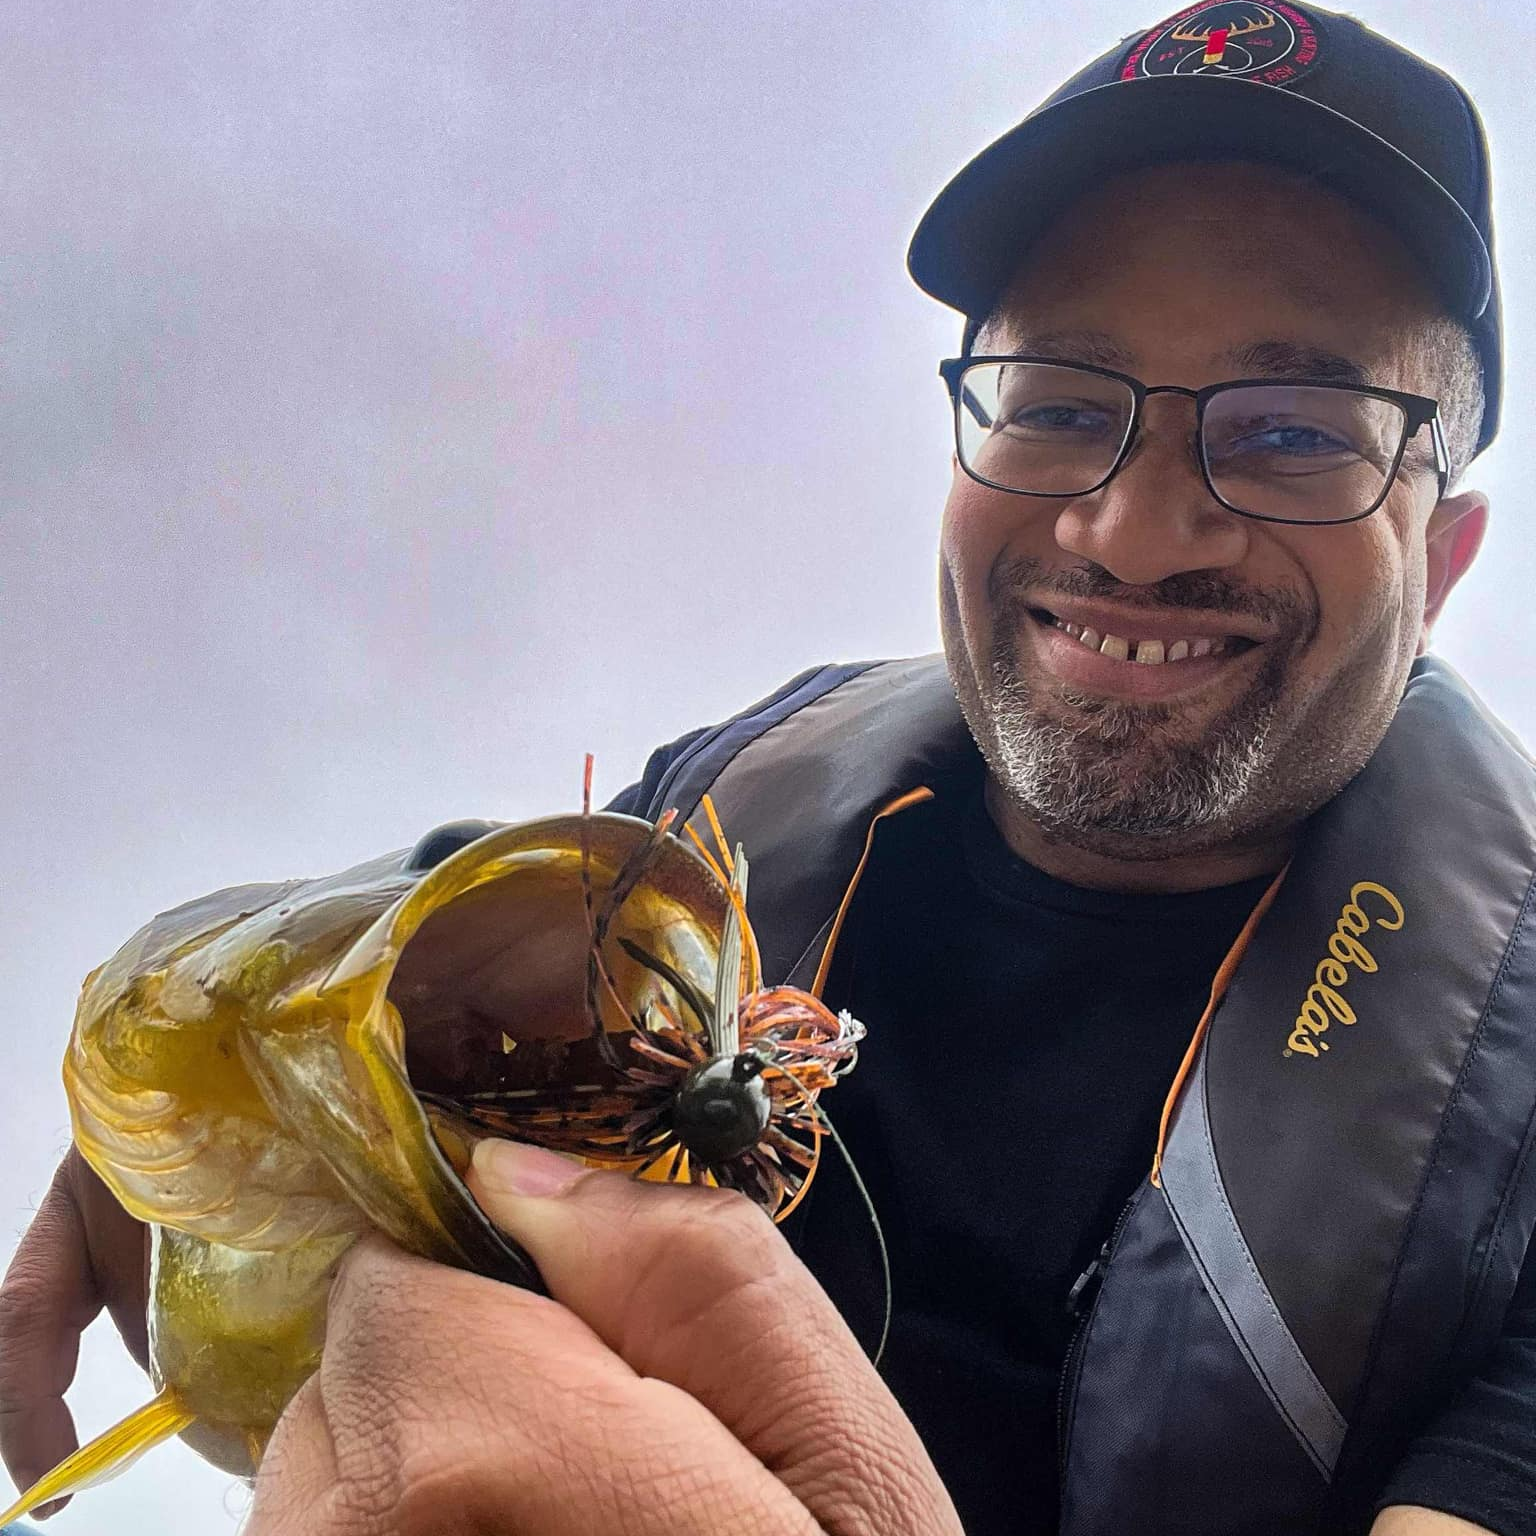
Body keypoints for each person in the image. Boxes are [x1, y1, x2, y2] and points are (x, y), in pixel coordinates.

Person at [0, 3, 1527, 1532]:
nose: (1126, 532)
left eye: (1291, 434)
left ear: (1445, 555)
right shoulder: (714, 805)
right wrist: (189, 1072)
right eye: (1060, 405)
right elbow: (435, 928)